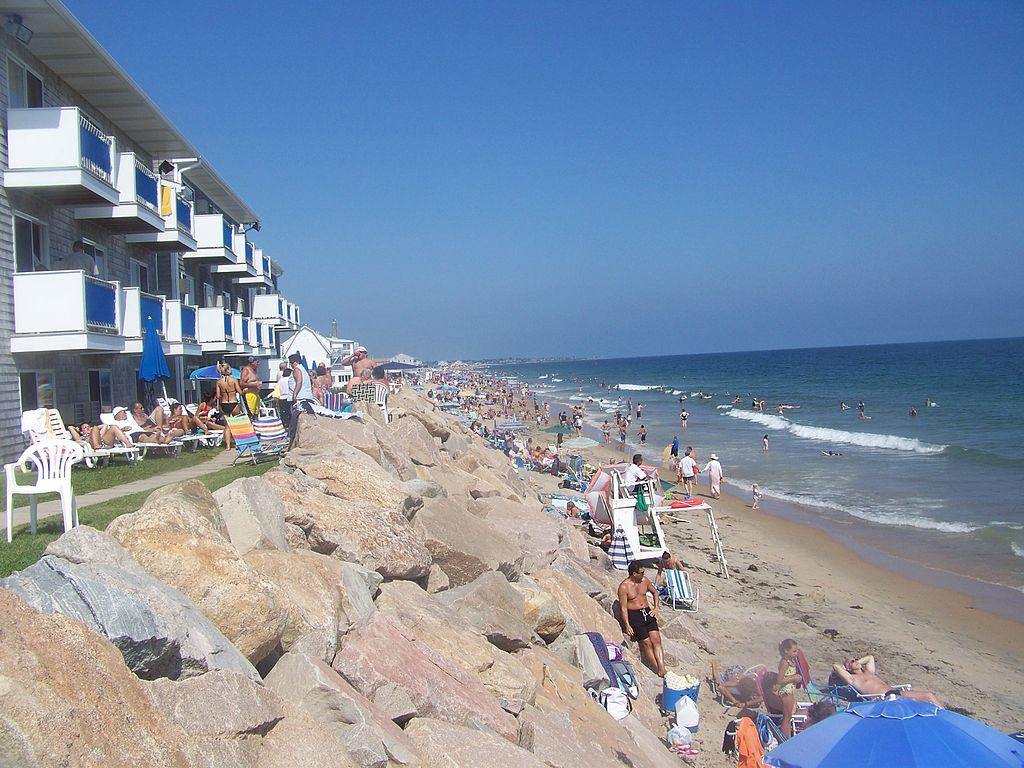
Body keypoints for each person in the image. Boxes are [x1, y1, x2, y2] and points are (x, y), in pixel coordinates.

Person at [616, 561, 667, 677]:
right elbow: (623, 608)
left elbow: (655, 592)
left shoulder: (645, 581)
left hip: (647, 612)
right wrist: (627, 625)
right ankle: (658, 669)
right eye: (641, 572)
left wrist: (656, 608)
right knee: (647, 643)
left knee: (656, 640)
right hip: (635, 615)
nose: (644, 574)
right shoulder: (624, 587)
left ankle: (662, 667)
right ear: (634, 574)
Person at [832, 655, 942, 706]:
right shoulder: (853, 679)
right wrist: (846, 667)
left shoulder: (869, 672)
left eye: (855, 659)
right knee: (918, 703)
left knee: (929, 695)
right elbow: (835, 666)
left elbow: (870, 657)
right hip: (884, 698)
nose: (855, 661)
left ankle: (946, 715)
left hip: (896, 692)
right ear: (847, 668)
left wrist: (857, 663)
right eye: (852, 661)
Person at [774, 639, 803, 737]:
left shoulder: (790, 660)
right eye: (794, 651)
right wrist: (793, 677)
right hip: (785, 692)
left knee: (788, 716)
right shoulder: (785, 663)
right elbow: (779, 680)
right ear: (786, 651)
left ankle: (786, 737)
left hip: (789, 690)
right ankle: (785, 739)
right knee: (787, 718)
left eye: (797, 651)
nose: (797, 653)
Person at [276, 361, 293, 428]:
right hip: (289, 397)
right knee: (290, 413)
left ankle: (285, 426)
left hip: (282, 397)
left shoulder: (280, 380)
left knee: (283, 413)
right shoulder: (290, 379)